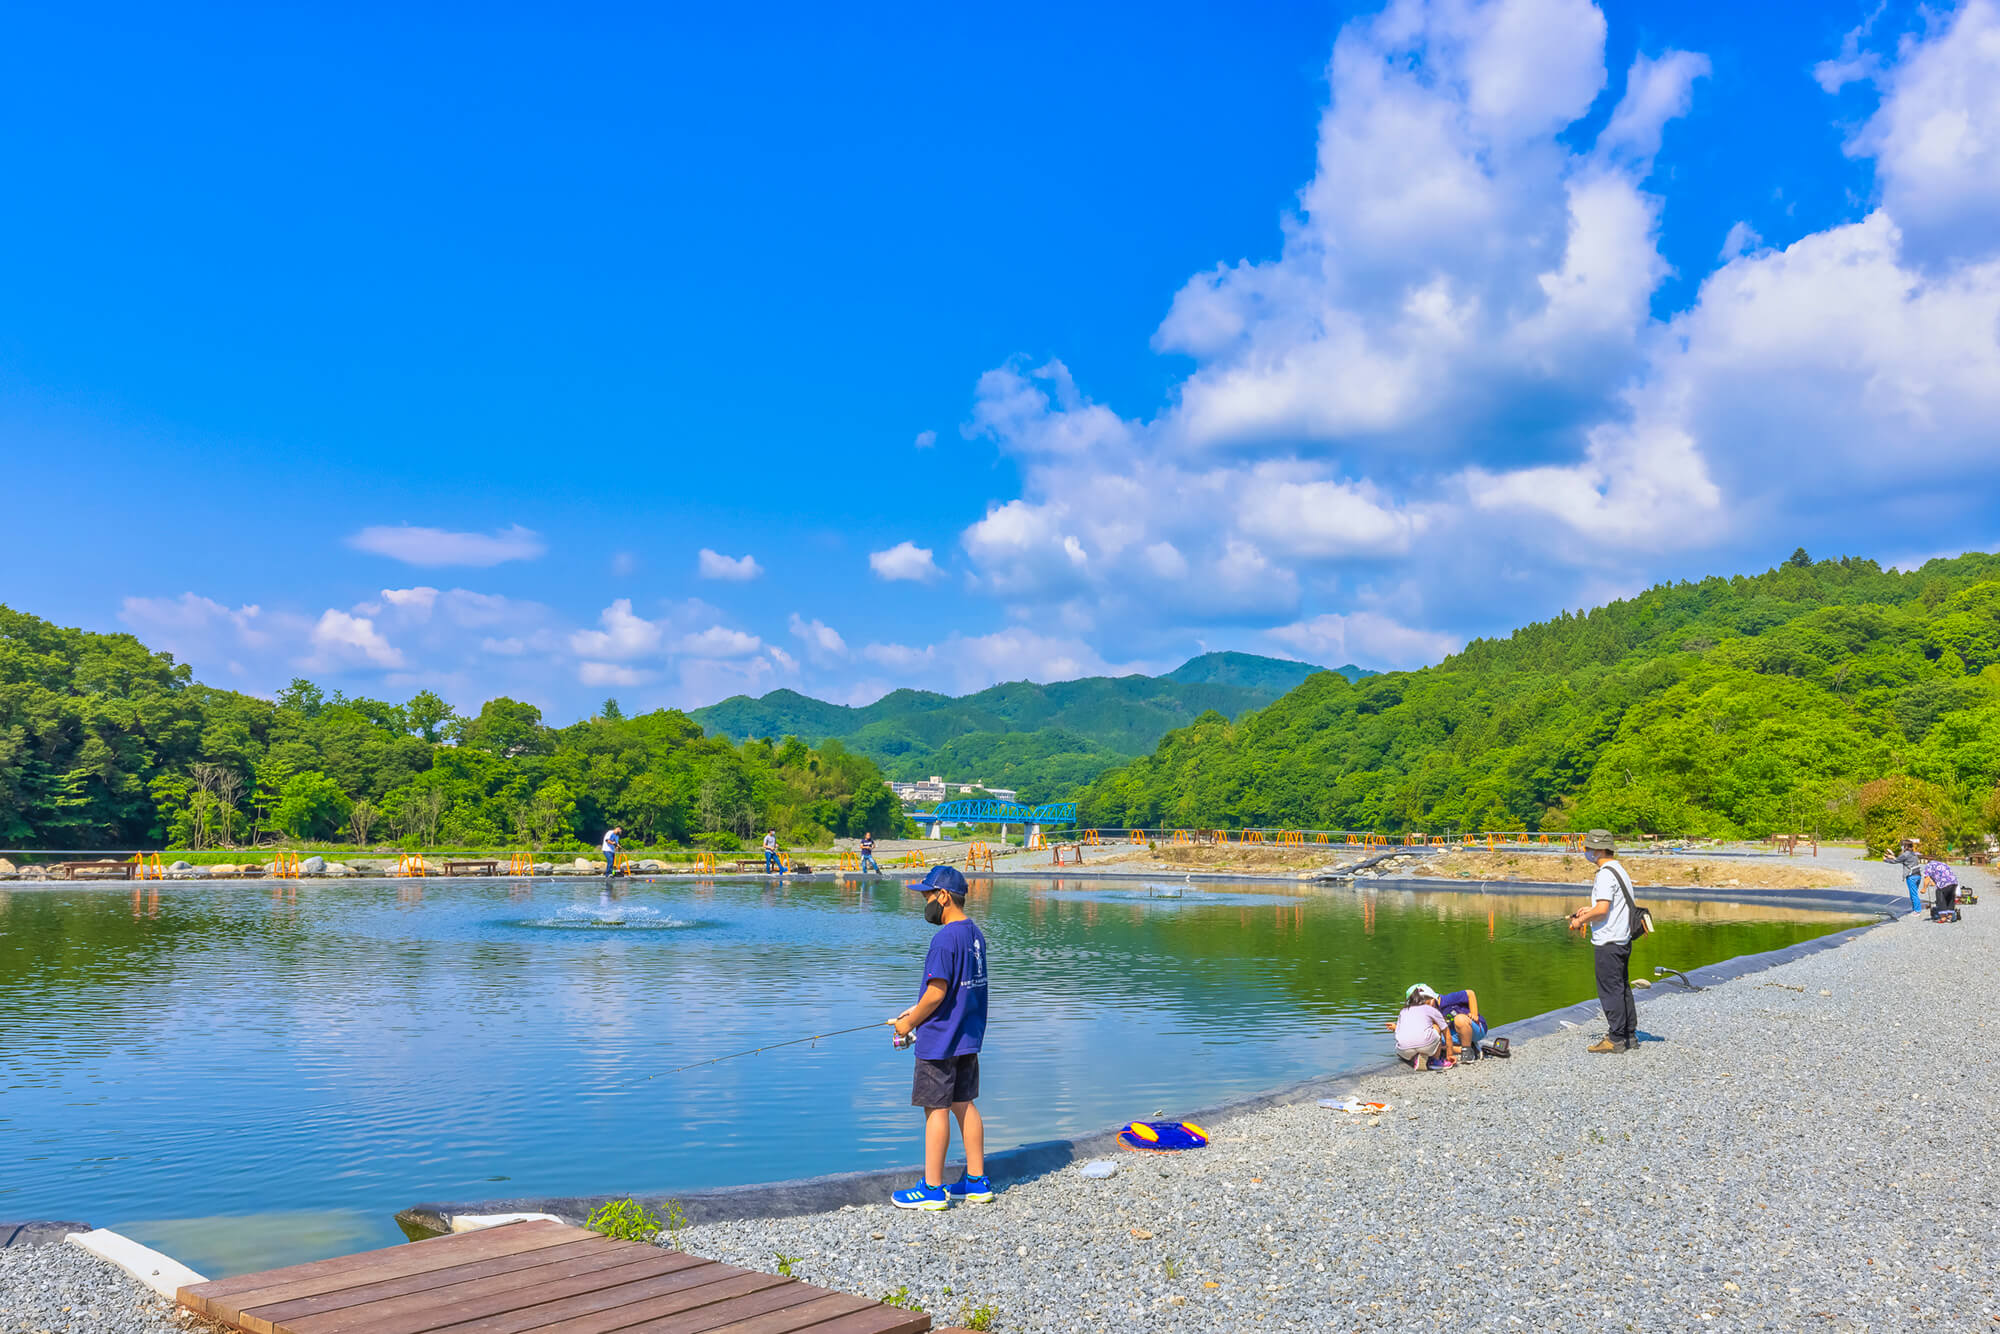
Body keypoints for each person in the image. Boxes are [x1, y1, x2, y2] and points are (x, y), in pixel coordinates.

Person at [888, 865, 991, 1210]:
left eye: (928, 896)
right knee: (965, 1103)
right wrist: (913, 1013)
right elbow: (959, 990)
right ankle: (976, 1181)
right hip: (967, 1036)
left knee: (937, 1108)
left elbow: (936, 993)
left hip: (939, 1040)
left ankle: (932, 1188)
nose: (926, 902)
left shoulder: (944, 939)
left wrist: (909, 1023)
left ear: (944, 896)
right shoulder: (975, 934)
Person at [1569, 829, 1638, 1053]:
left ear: (1598, 850)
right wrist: (1588, 911)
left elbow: (1602, 910)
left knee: (1610, 990)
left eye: (1588, 848)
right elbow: (1610, 906)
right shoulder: (1619, 869)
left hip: (1608, 940)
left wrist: (1580, 921)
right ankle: (1629, 1035)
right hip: (1622, 938)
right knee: (1621, 988)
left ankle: (1615, 1039)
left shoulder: (1605, 874)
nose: (1585, 851)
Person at [1393, 986, 1456, 1070]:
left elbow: (1398, 1032)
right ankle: (1435, 1061)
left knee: (1409, 1039)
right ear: (1431, 1000)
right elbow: (1446, 1032)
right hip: (1426, 1046)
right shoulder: (1431, 1009)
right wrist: (1450, 1055)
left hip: (1404, 1051)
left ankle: (1414, 1059)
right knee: (1436, 1027)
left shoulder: (1403, 1011)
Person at [1436, 984, 1487, 1056]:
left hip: (1474, 1027)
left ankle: (1467, 1052)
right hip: (1455, 1033)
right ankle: (1468, 1048)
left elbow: (1470, 993)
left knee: (1459, 1019)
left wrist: (1474, 1013)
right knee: (1433, 1042)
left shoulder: (1446, 1000)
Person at [1883, 838, 1926, 914]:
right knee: (1914, 893)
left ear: (1905, 846)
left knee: (1913, 894)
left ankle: (1917, 911)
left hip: (1911, 876)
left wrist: (1886, 860)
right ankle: (1915, 909)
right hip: (1918, 875)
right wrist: (1892, 857)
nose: (1901, 847)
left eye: (1902, 846)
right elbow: (1903, 860)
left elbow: (1895, 861)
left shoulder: (1905, 854)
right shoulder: (1913, 853)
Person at [1920, 855, 1960, 921]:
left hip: (1943, 884)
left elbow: (1927, 878)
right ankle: (1950, 916)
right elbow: (1940, 875)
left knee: (1941, 898)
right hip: (1953, 882)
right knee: (1950, 898)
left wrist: (1924, 888)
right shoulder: (1941, 864)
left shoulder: (1929, 866)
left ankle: (1943, 917)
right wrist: (1933, 883)